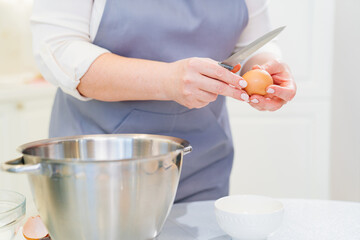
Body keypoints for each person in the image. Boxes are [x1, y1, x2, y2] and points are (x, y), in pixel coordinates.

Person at [31, 0, 296, 202]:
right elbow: (58, 49)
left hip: (203, 163)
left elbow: (253, 43)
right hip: (98, 166)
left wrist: (264, 68)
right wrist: (167, 80)